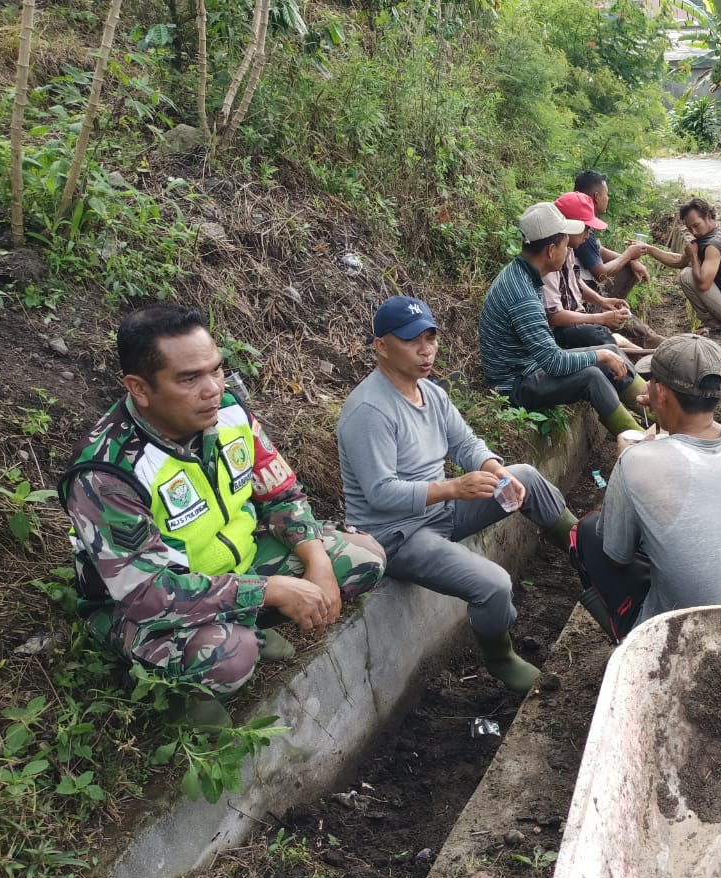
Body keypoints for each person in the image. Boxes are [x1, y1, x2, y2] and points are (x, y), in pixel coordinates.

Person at [59, 305, 386, 726]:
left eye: (216, 370)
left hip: (240, 564)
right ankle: (168, 690)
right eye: (190, 378)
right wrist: (269, 591)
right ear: (140, 388)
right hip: (145, 605)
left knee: (363, 557)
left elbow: (281, 493)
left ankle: (247, 621)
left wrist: (316, 560)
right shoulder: (108, 474)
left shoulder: (230, 413)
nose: (212, 388)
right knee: (229, 656)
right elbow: (148, 595)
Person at [338, 297, 581, 693]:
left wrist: (495, 470)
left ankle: (582, 553)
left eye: (431, 338)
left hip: (441, 511)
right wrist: (453, 487)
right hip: (397, 537)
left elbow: (466, 444)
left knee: (527, 478)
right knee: (494, 584)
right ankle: (501, 658)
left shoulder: (430, 393)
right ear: (381, 346)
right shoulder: (369, 411)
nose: (426, 349)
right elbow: (380, 494)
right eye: (412, 340)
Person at [570, 334, 721, 642]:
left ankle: (632, 641)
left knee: (587, 532)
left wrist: (629, 460)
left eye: (650, 382)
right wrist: (664, 422)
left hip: (684, 643)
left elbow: (617, 556)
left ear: (659, 392)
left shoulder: (635, 462)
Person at [479, 202, 649, 438]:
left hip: (531, 365)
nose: (568, 249)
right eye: (565, 244)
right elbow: (554, 363)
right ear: (550, 250)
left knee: (610, 348)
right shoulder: (522, 295)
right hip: (516, 383)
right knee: (592, 376)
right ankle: (639, 439)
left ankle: (655, 410)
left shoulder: (523, 273)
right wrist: (601, 356)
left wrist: (605, 353)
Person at [543, 192, 662, 349]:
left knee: (615, 340)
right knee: (609, 339)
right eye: (585, 228)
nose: (588, 235)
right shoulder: (550, 261)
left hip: (575, 319)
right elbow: (555, 318)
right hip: (561, 331)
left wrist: (601, 301)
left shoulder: (568, 249)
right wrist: (599, 318)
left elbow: (573, 280)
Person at [614, 197, 721, 332]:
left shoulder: (714, 245)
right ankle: (713, 321)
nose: (694, 232)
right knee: (689, 270)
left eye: (696, 225)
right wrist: (648, 249)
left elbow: (703, 284)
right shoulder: (707, 236)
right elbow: (679, 261)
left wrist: (694, 256)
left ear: (709, 216)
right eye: (689, 228)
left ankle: (711, 322)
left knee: (687, 275)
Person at [572, 170, 651, 301]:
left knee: (628, 264)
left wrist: (630, 259)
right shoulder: (580, 227)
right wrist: (629, 255)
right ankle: (603, 309)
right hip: (580, 287)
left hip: (579, 283)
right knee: (627, 269)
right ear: (597, 196)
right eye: (606, 194)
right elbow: (601, 274)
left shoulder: (579, 218)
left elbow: (597, 249)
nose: (608, 198)